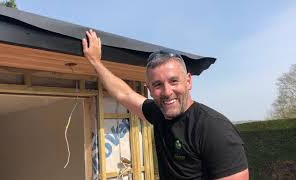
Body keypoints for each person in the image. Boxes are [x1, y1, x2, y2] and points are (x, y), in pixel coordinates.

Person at [82, 29, 249, 180]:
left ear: (188, 81)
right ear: (149, 89)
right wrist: (96, 62)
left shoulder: (213, 129)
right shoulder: (159, 113)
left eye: (173, 81)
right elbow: (124, 94)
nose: (167, 92)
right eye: (158, 85)